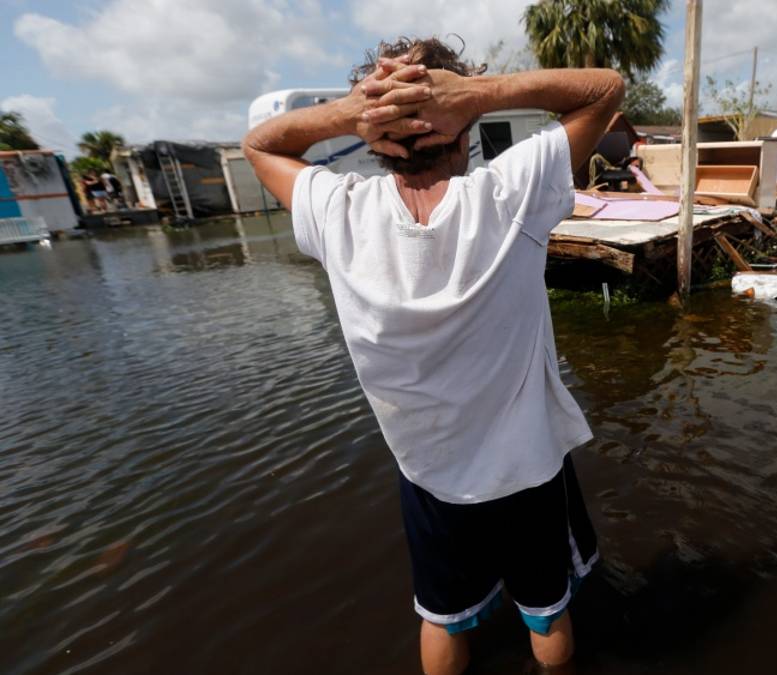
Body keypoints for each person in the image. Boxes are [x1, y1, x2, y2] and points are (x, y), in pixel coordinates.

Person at [242, 37, 624, 675]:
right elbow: (605, 88)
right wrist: (473, 95)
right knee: (547, 614)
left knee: (440, 616)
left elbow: (262, 143)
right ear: (460, 122)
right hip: (526, 472)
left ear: (375, 134)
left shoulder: (338, 213)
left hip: (429, 477)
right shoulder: (509, 198)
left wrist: (350, 112)